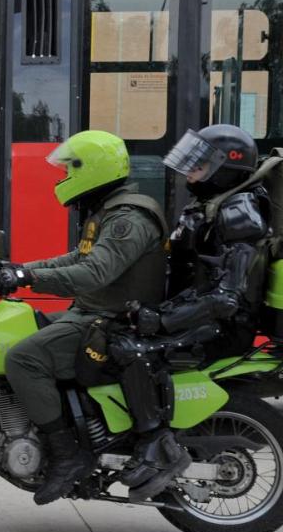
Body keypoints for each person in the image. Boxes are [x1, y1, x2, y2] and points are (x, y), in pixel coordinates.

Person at [0, 130, 167, 505]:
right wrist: (19, 269)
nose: (64, 177)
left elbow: (94, 273)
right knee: (25, 327)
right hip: (94, 311)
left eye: (70, 169)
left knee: (22, 358)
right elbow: (76, 258)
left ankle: (68, 456)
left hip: (111, 319)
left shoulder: (127, 218)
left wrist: (28, 277)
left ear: (93, 168)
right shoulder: (109, 210)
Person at [114, 124, 271, 500]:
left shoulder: (238, 213)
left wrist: (163, 320)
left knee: (129, 349)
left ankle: (157, 446)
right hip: (202, 316)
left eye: (199, 166)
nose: (189, 173)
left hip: (223, 327)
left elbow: (226, 297)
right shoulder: (208, 206)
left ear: (226, 167)